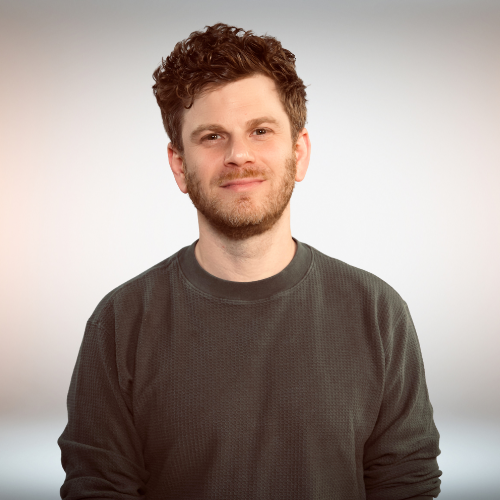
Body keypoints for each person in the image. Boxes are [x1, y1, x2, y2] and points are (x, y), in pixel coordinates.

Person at [58, 23, 442, 500]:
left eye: (260, 131)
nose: (239, 155)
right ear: (179, 165)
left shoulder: (378, 312)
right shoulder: (121, 322)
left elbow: (406, 483)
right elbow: (98, 487)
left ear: (299, 152)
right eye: (212, 136)